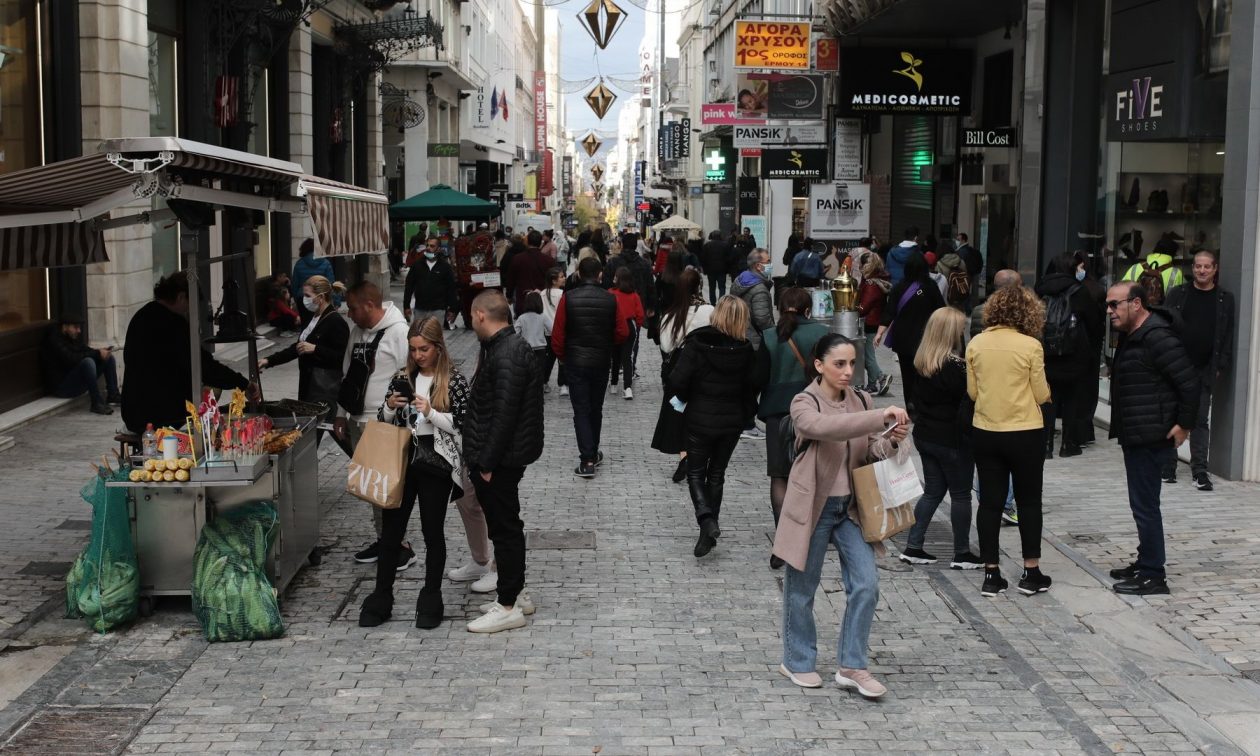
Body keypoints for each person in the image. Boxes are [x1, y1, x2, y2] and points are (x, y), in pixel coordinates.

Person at [773, 334, 910, 696]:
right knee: (802, 589)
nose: (848, 371)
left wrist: (892, 439)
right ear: (819, 366)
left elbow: (870, 450)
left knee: (866, 584)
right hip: (813, 507)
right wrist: (879, 416)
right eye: (839, 364)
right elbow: (823, 429)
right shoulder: (804, 402)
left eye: (852, 363)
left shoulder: (861, 400)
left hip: (851, 508)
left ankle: (852, 665)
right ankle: (797, 661)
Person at [358, 317, 470, 629]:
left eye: (424, 349)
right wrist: (391, 407)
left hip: (435, 462)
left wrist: (430, 412)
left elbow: (463, 424)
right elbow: (383, 419)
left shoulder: (453, 381)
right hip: (402, 459)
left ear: (438, 347)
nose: (418, 355)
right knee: (391, 532)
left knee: (432, 532)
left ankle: (431, 597)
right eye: (413, 349)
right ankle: (381, 596)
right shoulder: (402, 377)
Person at [1106, 282, 1199, 595]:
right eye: (1108, 305)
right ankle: (1146, 560)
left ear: (1136, 304)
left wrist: (1184, 425)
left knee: (1145, 506)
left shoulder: (1157, 337)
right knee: (1141, 504)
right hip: (1136, 431)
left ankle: (1153, 575)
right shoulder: (1133, 334)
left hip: (1150, 433)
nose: (1110, 311)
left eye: (1115, 304)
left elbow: (1189, 383)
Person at [463, 290, 545, 632]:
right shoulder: (506, 347)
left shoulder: (507, 352)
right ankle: (516, 593)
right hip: (504, 456)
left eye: (471, 316)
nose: (470, 322)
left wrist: (486, 463)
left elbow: (504, 415)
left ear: (481, 315)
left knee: (505, 529)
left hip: (500, 459)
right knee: (507, 526)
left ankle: (508, 604)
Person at [667, 296, 769, 557]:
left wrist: (687, 396)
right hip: (731, 421)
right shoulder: (746, 350)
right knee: (716, 474)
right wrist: (746, 411)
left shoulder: (697, 344)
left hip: (699, 418)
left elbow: (677, 380)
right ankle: (708, 530)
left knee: (695, 473)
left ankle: (706, 519)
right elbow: (753, 385)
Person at [967, 286, 1052, 598]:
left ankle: (991, 573)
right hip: (1025, 430)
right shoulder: (1031, 346)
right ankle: (1031, 571)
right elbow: (1040, 393)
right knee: (1029, 502)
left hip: (986, 429)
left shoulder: (976, 343)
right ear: (1029, 313)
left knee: (989, 502)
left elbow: (972, 392)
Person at [899, 308, 983, 570]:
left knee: (933, 492)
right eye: (960, 329)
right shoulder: (957, 368)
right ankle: (962, 553)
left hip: (926, 435)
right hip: (952, 439)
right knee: (960, 495)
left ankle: (913, 546)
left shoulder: (922, 362)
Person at [334, 281, 410, 566]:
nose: (349, 313)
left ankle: (399, 545)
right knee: (372, 488)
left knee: (386, 487)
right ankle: (384, 539)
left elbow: (410, 375)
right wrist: (341, 413)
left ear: (369, 305)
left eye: (353, 308)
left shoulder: (399, 332)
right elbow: (347, 375)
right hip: (357, 418)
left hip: (383, 423)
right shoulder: (357, 332)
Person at [121, 272, 254, 434]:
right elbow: (203, 366)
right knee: (210, 393)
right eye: (190, 304)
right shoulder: (174, 323)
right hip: (163, 415)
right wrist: (243, 383)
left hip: (133, 412)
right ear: (181, 297)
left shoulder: (141, 315)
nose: (189, 310)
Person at [757, 288, 829, 569]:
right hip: (814, 411)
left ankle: (782, 543)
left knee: (780, 476)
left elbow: (759, 377)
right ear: (808, 309)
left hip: (777, 412)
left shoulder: (769, 336)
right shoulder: (822, 334)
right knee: (814, 473)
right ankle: (810, 536)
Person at [1161, 250, 1233, 489]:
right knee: (1171, 415)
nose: (1202, 270)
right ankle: (1168, 466)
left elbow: (1227, 335)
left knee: (1200, 420)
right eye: (1198, 266)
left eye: (1207, 267)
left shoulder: (1224, 299)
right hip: (1176, 365)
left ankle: (1200, 471)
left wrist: (1220, 365)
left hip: (1205, 369)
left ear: (1215, 269)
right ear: (1192, 268)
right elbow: (1164, 327)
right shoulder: (1178, 294)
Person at [551, 257, 627, 477]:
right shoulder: (611, 299)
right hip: (601, 361)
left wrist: (564, 357)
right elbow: (623, 332)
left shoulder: (568, 298)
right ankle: (592, 452)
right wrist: (607, 343)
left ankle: (587, 459)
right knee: (595, 408)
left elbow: (558, 334)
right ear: (600, 274)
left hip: (576, 361)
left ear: (578, 274)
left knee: (581, 410)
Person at [258, 275, 349, 447]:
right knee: (316, 432)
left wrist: (316, 349)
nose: (304, 300)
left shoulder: (335, 321)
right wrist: (269, 360)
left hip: (324, 388)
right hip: (310, 385)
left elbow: (342, 357)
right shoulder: (313, 318)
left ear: (320, 297)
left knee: (319, 432)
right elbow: (298, 348)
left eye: (308, 296)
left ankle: (362, 454)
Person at [1034, 254, 1101, 459]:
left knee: (1049, 397)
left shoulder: (1040, 288)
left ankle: (1046, 445)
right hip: (1073, 352)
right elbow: (1094, 322)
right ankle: (1068, 443)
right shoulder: (1079, 291)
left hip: (1046, 352)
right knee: (1072, 397)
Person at [651, 270, 713, 483]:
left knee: (679, 410)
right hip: (705, 367)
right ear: (699, 286)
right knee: (701, 411)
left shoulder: (671, 314)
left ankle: (685, 455)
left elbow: (666, 346)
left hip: (679, 369)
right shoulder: (709, 311)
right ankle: (698, 455)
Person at [876, 251, 945, 414]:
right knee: (924, 373)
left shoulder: (899, 287)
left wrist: (879, 333)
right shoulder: (931, 286)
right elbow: (941, 310)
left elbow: (889, 311)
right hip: (925, 338)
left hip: (903, 339)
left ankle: (910, 406)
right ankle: (922, 406)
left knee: (907, 374)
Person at [41, 315, 120, 415]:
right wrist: (97, 353)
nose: (79, 331)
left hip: (75, 381)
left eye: (79, 327)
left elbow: (84, 349)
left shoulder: (72, 337)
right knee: (88, 363)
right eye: (75, 327)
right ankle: (96, 402)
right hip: (62, 387)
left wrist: (101, 352)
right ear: (65, 327)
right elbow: (72, 358)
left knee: (108, 358)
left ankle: (113, 395)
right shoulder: (54, 340)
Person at [856, 254, 893, 396]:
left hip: (869, 322)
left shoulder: (871, 284)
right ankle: (872, 385)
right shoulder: (878, 280)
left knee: (867, 357)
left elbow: (863, 308)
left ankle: (882, 377)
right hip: (874, 321)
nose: (859, 267)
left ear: (867, 266)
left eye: (861, 265)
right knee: (868, 354)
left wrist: (852, 307)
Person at [403, 237, 459, 327]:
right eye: (427, 245)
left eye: (432, 246)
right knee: (419, 333)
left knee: (435, 334)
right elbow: (409, 286)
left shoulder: (445, 267)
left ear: (439, 249)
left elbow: (451, 288)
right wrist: (406, 306)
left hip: (438, 310)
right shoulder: (417, 265)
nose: (428, 248)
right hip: (420, 309)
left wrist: (452, 309)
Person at [609, 267, 646, 400]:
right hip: (629, 326)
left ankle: (613, 384)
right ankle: (627, 388)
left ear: (618, 279)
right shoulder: (634, 295)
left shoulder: (611, 293)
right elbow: (640, 315)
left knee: (615, 357)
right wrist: (637, 325)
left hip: (615, 326)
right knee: (627, 358)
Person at [731, 248, 775, 350]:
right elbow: (763, 320)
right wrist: (773, 334)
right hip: (755, 341)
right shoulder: (760, 290)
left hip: (738, 333)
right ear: (758, 266)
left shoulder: (740, 279)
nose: (770, 264)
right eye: (768, 261)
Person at [1120, 236, 1185, 305]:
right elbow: (1182, 298)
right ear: (1173, 254)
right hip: (1162, 311)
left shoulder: (1135, 268)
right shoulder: (1176, 273)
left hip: (1137, 310)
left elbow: (1121, 291)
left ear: (1154, 250)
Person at [291, 238, 335, 326]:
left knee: (305, 325)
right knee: (320, 325)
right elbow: (331, 284)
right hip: (320, 298)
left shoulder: (299, 264)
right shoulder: (326, 263)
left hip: (303, 298)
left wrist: (297, 299)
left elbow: (295, 285)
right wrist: (335, 301)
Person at [511, 230, 555, 312]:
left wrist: (509, 295)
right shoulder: (549, 261)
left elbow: (511, 279)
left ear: (527, 242)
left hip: (522, 300)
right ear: (540, 242)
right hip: (542, 301)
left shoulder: (517, 258)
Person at [514, 291, 551, 387]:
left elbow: (515, 332)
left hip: (526, 348)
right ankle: (540, 388)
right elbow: (552, 329)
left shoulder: (521, 318)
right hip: (540, 349)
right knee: (540, 371)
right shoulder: (543, 316)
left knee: (527, 371)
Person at [541, 267, 567, 394]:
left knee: (548, 359)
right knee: (562, 358)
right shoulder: (562, 294)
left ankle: (544, 381)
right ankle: (563, 385)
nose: (564, 278)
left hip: (547, 332)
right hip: (560, 331)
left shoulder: (542, 294)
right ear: (553, 280)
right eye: (561, 277)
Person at [956, 232, 983, 313]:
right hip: (971, 274)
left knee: (963, 293)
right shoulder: (972, 250)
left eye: (958, 239)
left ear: (963, 240)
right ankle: (968, 310)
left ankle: (966, 310)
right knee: (967, 292)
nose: (957, 241)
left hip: (963, 274)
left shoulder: (961, 251)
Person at [701, 230, 731, 303]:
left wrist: (704, 270)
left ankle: (712, 303)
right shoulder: (725, 245)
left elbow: (703, 258)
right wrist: (728, 269)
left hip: (710, 270)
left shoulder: (707, 245)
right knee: (722, 287)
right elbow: (729, 258)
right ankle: (721, 302)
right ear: (720, 236)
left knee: (712, 287)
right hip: (722, 269)